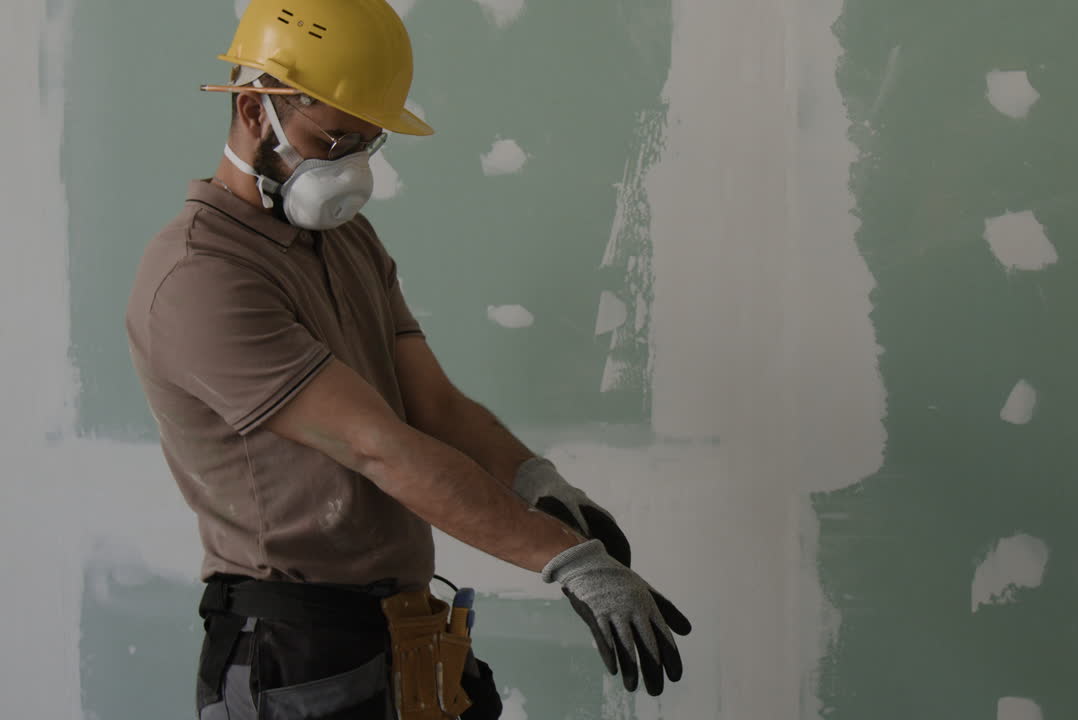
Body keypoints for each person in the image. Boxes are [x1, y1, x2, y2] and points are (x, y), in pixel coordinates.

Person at [123, 1, 691, 717]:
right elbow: (380, 448)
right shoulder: (201, 277)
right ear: (252, 109)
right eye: (332, 139)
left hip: (401, 629)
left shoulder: (349, 243)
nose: (349, 169)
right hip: (295, 652)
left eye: (366, 144)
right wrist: (565, 558)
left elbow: (436, 407)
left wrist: (535, 481)